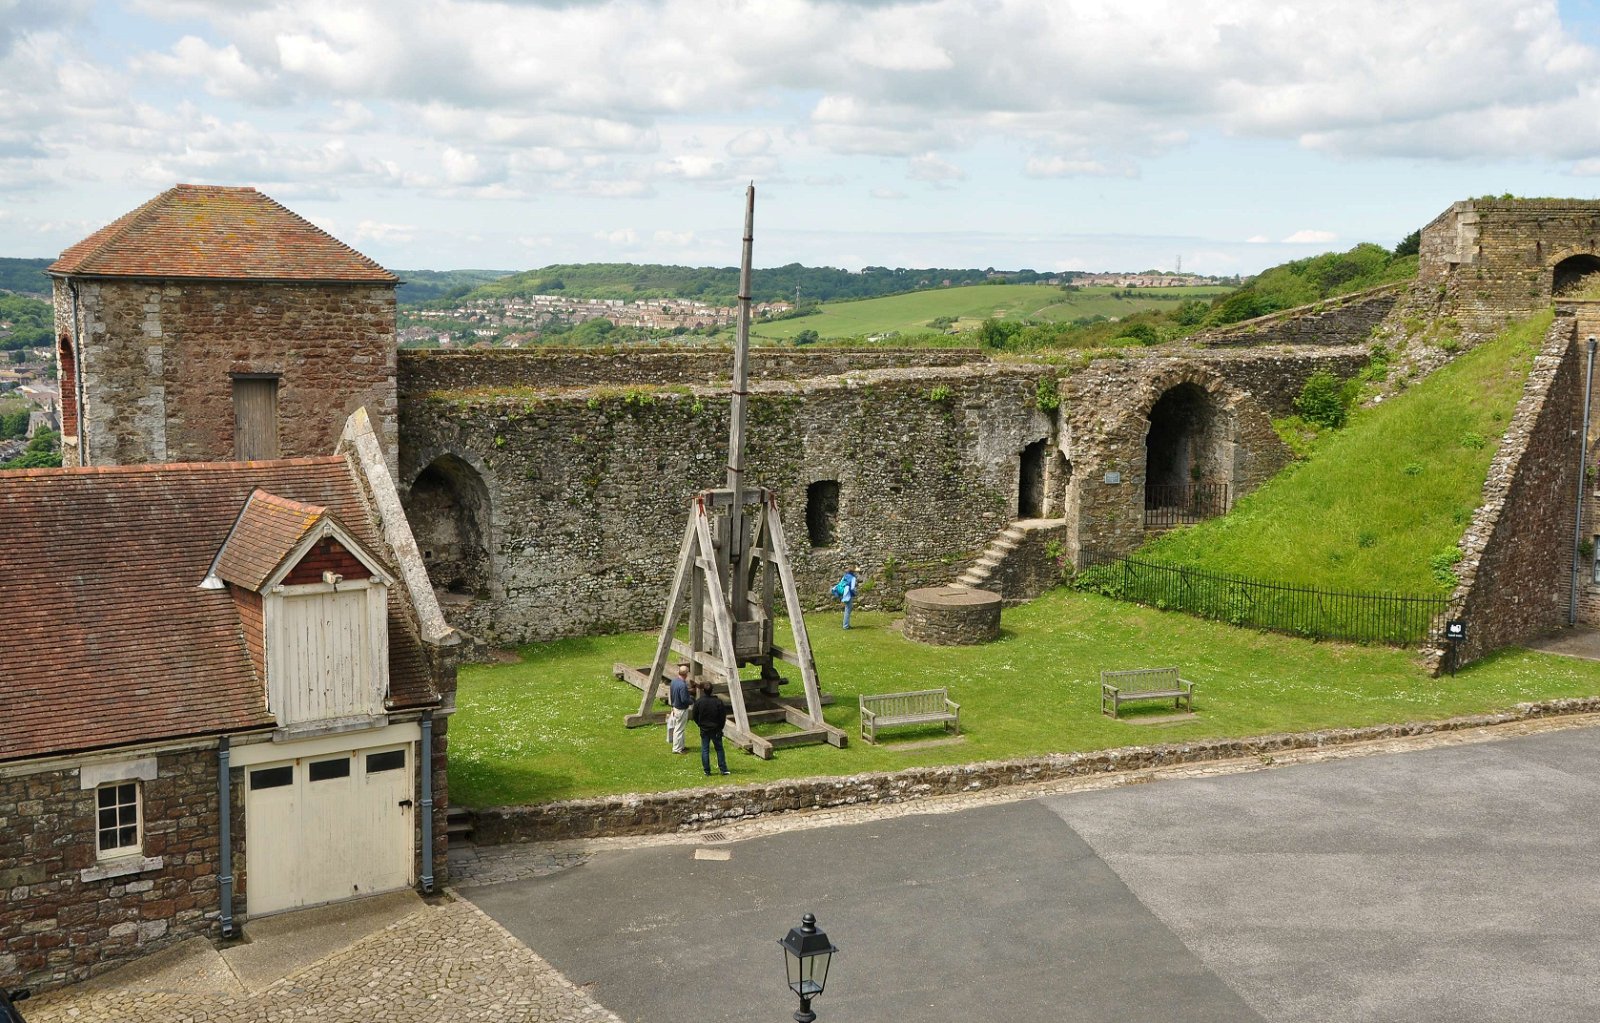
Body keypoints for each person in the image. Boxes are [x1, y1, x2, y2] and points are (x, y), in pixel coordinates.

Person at [690, 682, 731, 776]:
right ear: (712, 690)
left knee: (705, 749)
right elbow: (722, 717)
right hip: (716, 729)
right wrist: (720, 728)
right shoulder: (718, 702)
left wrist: (700, 724)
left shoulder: (699, 702)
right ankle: (723, 769)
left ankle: (707, 771)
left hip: (704, 729)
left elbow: (695, 716)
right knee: (719, 749)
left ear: (703, 691)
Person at [666, 663, 693, 754]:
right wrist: (692, 701)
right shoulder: (682, 685)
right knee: (679, 729)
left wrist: (672, 706)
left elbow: (672, 694)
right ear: (686, 674)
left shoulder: (674, 681)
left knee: (679, 728)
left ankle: (681, 746)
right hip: (681, 709)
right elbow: (684, 699)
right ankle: (676, 749)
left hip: (675, 707)